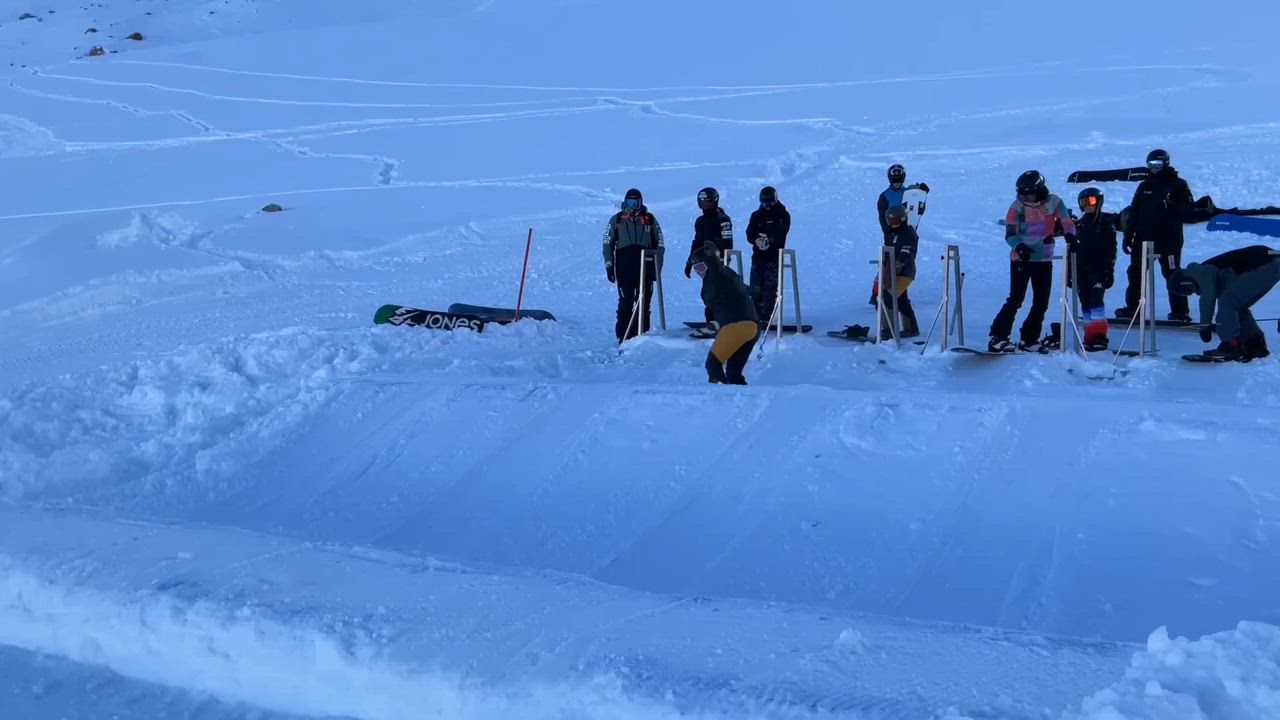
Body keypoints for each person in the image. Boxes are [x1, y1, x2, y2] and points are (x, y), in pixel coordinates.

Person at [987, 170, 1077, 353]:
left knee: (1041, 301)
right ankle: (998, 336)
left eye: (1029, 193)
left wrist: (1071, 235)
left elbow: (1067, 221)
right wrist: (1019, 247)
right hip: (1021, 259)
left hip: (1043, 258)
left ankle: (1030, 338)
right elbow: (1010, 235)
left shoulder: (1054, 202)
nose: (1026, 197)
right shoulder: (1016, 207)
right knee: (1016, 299)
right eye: (1022, 193)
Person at [1116, 148, 1195, 322]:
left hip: (1169, 239)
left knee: (1172, 273)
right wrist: (1128, 236)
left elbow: (1189, 211)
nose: (1154, 168)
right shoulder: (1145, 185)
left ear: (1166, 164)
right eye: (1151, 165)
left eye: (1157, 164)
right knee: (1136, 273)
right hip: (1144, 239)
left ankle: (1180, 312)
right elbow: (1134, 212)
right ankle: (1132, 309)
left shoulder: (1178, 184)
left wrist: (1171, 207)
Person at [1169, 245, 1279, 361]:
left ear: (1185, 282)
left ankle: (1230, 346)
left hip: (1264, 262)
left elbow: (1208, 297)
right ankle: (1255, 346)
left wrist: (1204, 326)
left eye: (1189, 291)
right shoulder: (1217, 276)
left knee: (1227, 301)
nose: (1193, 292)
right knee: (1236, 306)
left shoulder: (1198, 271)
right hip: (1271, 262)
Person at [689, 240, 760, 384]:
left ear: (708, 263)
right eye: (696, 269)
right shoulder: (727, 275)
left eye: (701, 267)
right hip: (752, 327)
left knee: (713, 364)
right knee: (733, 373)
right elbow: (749, 289)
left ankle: (719, 398)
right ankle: (742, 401)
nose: (699, 272)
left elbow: (716, 269)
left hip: (734, 326)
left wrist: (714, 259)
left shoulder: (717, 274)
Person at [602, 187, 664, 343]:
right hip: (625, 266)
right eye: (631, 202)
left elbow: (660, 244)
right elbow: (607, 243)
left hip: (646, 265)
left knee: (644, 302)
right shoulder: (617, 220)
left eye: (637, 202)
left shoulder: (649, 219)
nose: (634, 206)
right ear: (625, 202)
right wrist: (609, 265)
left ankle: (642, 336)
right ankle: (624, 336)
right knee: (626, 301)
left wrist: (658, 267)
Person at [1068, 187, 1119, 350]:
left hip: (1097, 270)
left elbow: (1111, 249)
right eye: (1083, 202)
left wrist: (1108, 271)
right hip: (1081, 270)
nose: (1087, 206)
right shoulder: (1080, 224)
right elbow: (1071, 250)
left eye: (1090, 201)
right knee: (1085, 303)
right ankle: (1089, 335)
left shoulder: (1105, 223)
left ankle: (1099, 336)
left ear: (1098, 202)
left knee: (1096, 302)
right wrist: (1070, 272)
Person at [685, 187, 735, 336]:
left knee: (714, 292)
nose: (705, 206)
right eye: (702, 203)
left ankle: (716, 322)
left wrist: (721, 258)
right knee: (707, 292)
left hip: (718, 261)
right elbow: (697, 242)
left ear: (715, 202)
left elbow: (728, 242)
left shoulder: (723, 219)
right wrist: (689, 261)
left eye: (708, 202)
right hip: (703, 261)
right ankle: (715, 321)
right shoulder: (700, 221)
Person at [745, 185, 791, 326]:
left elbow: (782, 232)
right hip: (758, 257)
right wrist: (756, 239)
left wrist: (769, 239)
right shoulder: (756, 215)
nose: (768, 206)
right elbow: (749, 233)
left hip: (774, 256)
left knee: (770, 288)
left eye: (771, 202)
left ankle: (767, 316)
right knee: (755, 287)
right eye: (765, 203)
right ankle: (755, 315)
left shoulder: (782, 214)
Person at [877, 204, 920, 338]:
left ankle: (888, 330)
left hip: (905, 272)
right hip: (892, 271)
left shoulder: (908, 233)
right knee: (900, 300)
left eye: (895, 221)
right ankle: (911, 328)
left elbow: (907, 252)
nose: (893, 224)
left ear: (903, 219)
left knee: (888, 296)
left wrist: (898, 264)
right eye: (890, 221)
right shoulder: (892, 234)